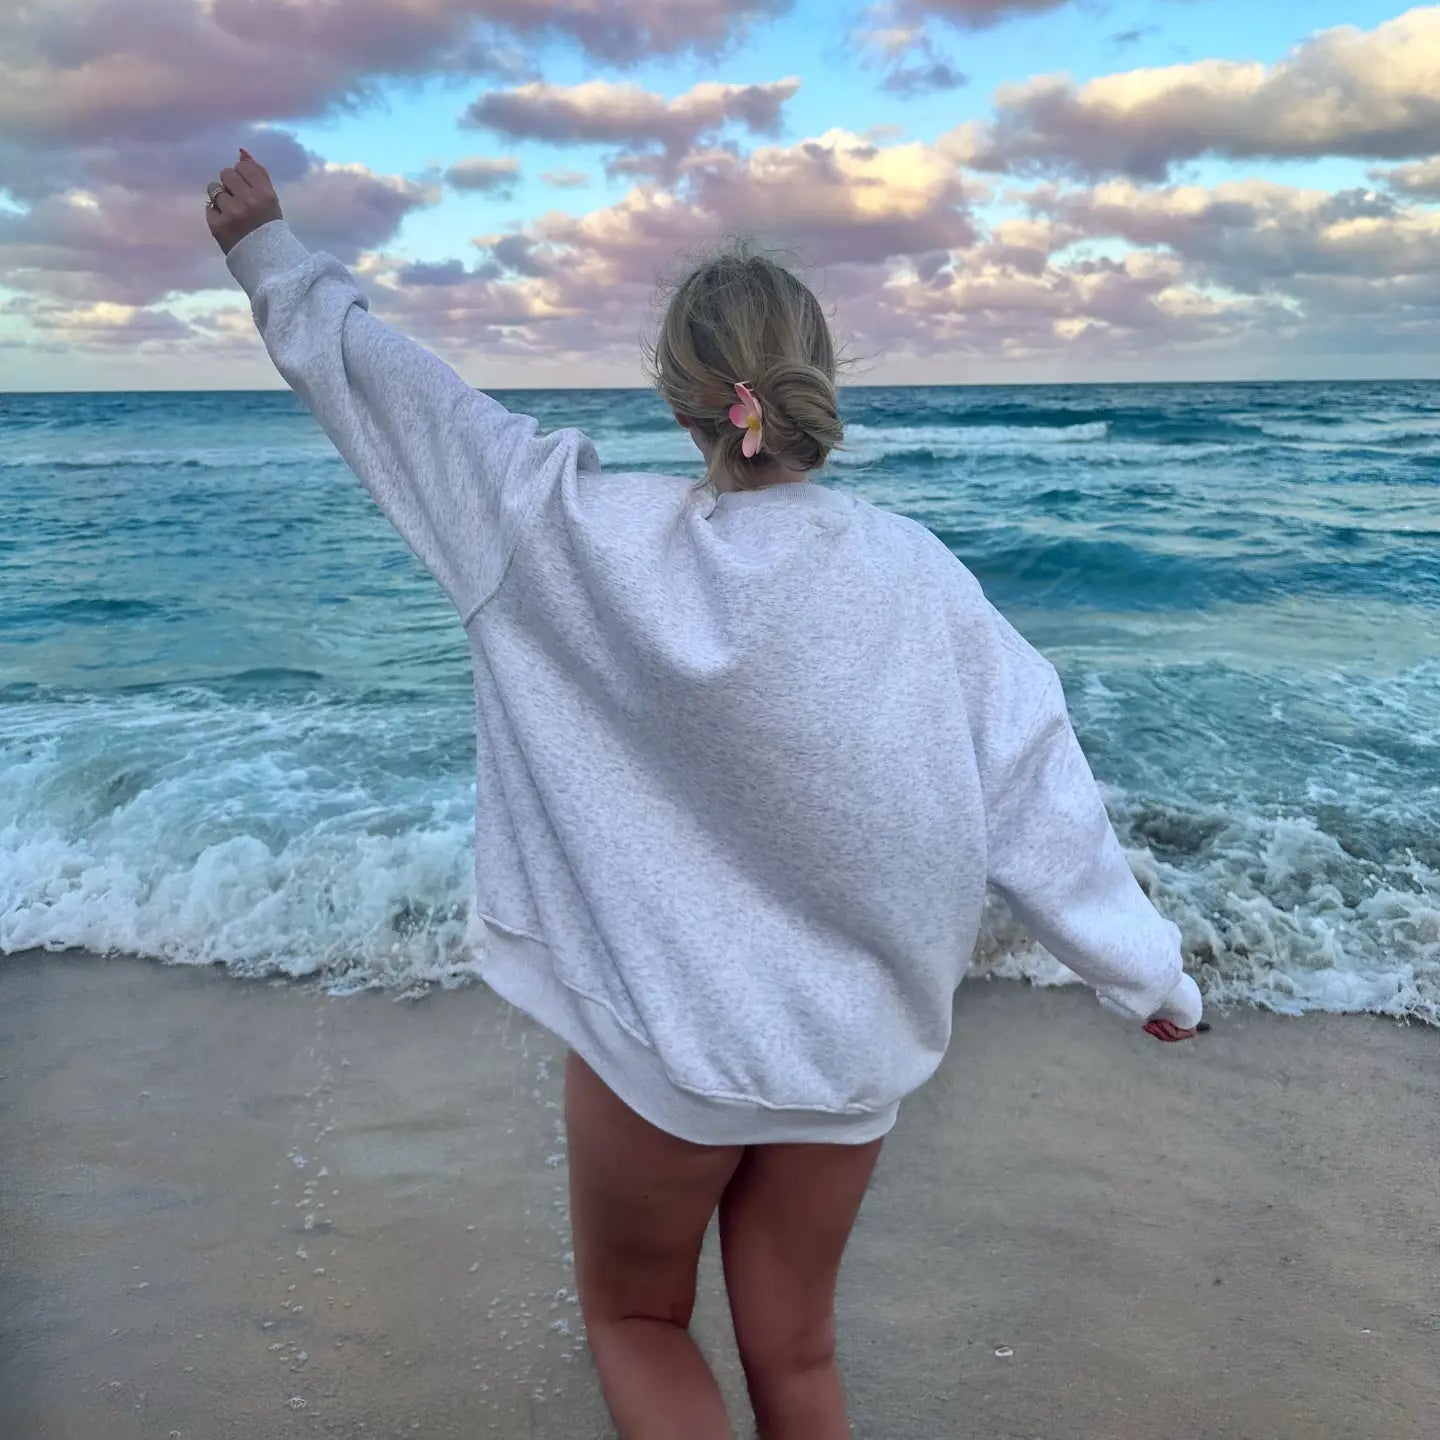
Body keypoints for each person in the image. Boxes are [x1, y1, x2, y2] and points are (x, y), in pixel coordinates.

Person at [206, 150, 1203, 1440]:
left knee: (640, 1322)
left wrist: (269, 255)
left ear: (682, 399)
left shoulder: (564, 532)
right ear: (813, 381)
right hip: (846, 1049)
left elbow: (402, 403)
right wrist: (1149, 975)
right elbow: (1036, 792)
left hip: (663, 1040)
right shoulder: (920, 577)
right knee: (800, 1358)